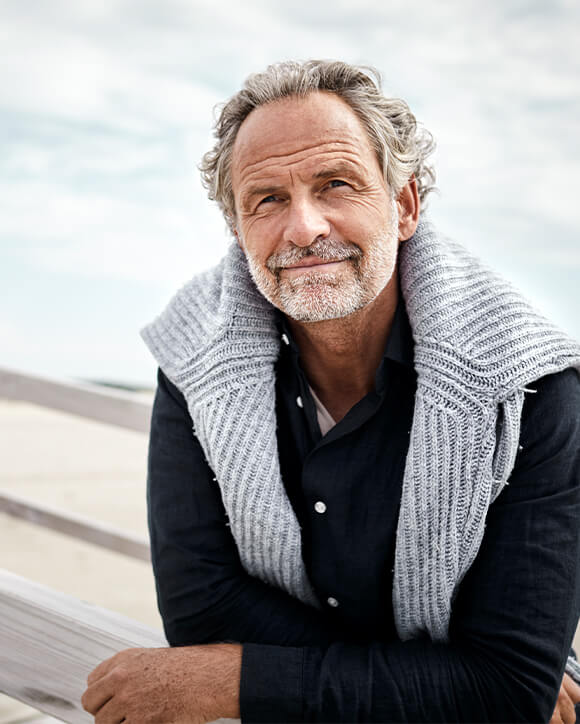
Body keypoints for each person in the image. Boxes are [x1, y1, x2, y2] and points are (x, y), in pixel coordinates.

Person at [82, 60, 580, 723]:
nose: (304, 228)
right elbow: (201, 607)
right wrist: (445, 689)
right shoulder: (192, 356)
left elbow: (504, 688)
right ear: (237, 230)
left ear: (404, 206)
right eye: (267, 198)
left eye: (335, 185)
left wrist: (233, 681)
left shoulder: (528, 384)